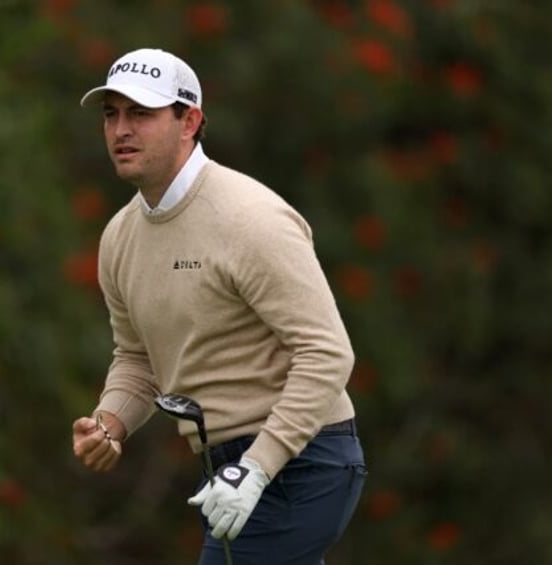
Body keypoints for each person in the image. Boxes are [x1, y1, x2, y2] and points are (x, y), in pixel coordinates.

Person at [71, 48, 367, 565]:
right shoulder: (119, 238)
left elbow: (328, 355)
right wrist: (108, 422)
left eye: (141, 113)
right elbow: (138, 359)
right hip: (226, 469)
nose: (121, 129)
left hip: (304, 460)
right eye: (111, 113)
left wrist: (256, 467)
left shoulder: (251, 219)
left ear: (190, 121)